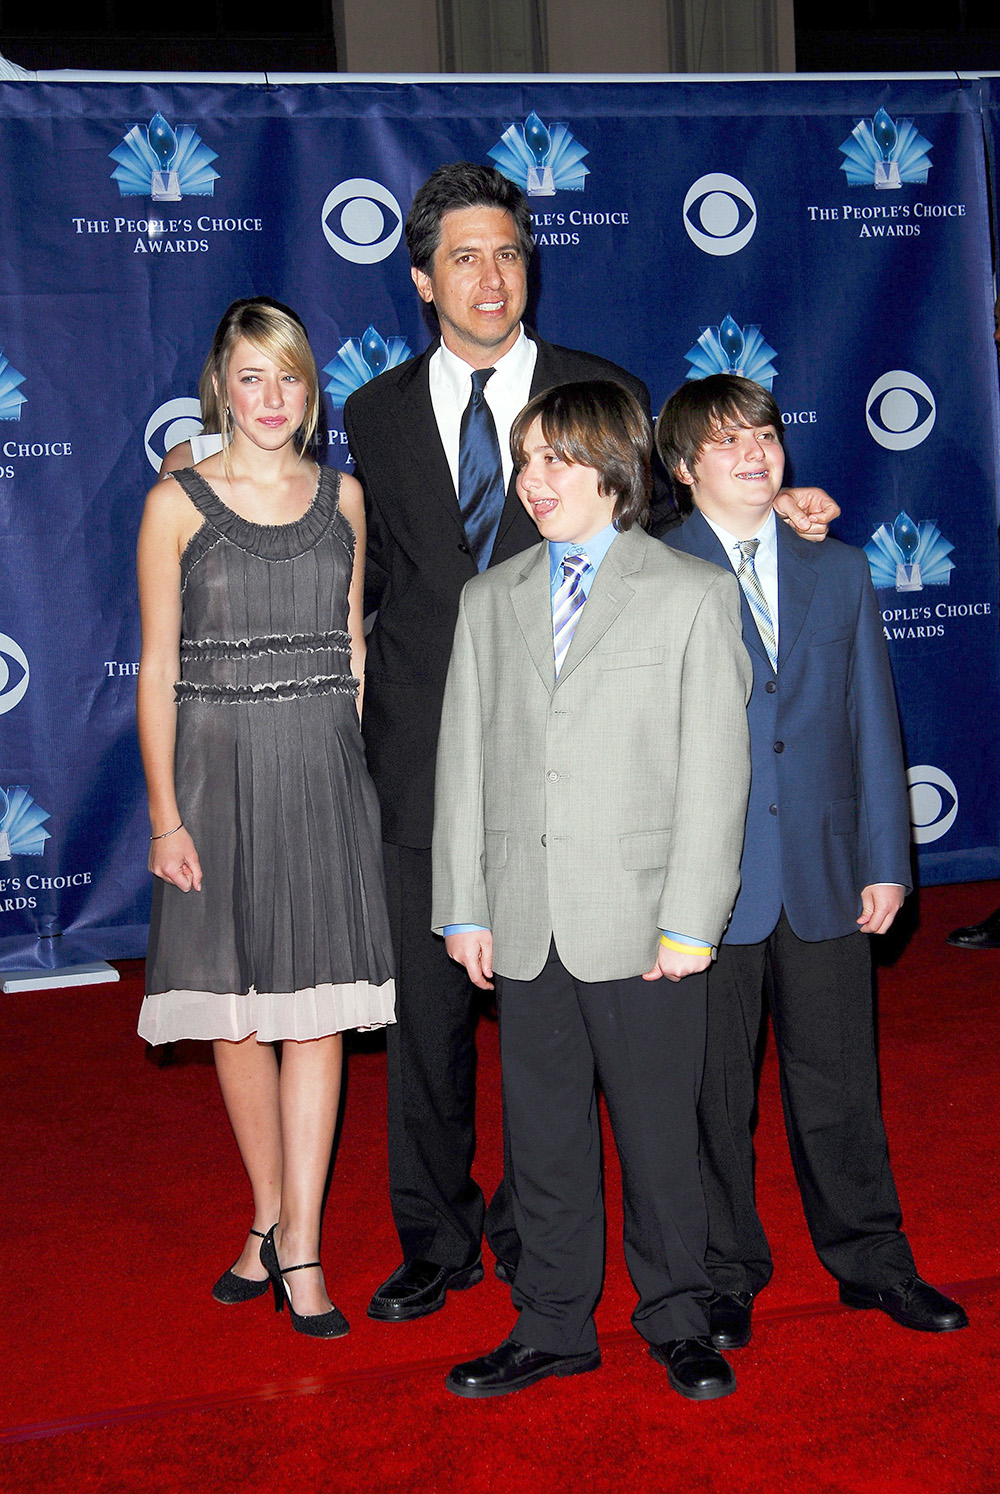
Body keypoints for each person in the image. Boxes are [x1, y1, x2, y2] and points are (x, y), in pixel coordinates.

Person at [343, 161, 838, 1323]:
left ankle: (545, 1243)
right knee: (431, 1032)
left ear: (531, 266)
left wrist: (785, 516)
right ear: (422, 279)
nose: (489, 275)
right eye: (462, 256)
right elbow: (356, 562)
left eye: (508, 252)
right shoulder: (368, 413)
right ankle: (436, 1238)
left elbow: (670, 550)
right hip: (434, 763)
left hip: (601, 795)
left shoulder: (602, 389)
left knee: (571, 1050)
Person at [433, 380, 752, 1400]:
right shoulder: (492, 599)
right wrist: (465, 906)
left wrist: (691, 922)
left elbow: (715, 774)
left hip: (645, 923)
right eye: (525, 461)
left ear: (615, 470)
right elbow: (463, 765)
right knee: (543, 1141)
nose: (534, 480)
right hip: (525, 924)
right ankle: (555, 1323)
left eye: (556, 459)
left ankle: (677, 1315)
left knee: (662, 1135)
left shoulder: (691, 594)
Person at [656, 373, 967, 1350]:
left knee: (840, 1082)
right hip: (708, 883)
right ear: (682, 466)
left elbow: (872, 718)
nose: (754, 451)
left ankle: (873, 1261)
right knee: (712, 1094)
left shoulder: (834, 568)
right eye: (726, 440)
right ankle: (724, 1274)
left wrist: (887, 858)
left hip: (828, 865)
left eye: (764, 433)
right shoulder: (651, 570)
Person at [136, 297, 395, 1338]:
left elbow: (354, 647)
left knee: (317, 1011)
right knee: (237, 1012)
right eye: (251, 378)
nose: (271, 398)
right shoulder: (177, 502)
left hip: (321, 767)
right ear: (220, 389)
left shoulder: (346, 495)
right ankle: (267, 1215)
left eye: (288, 377)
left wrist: (357, 777)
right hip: (214, 769)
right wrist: (165, 816)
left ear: (309, 389)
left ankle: (300, 1247)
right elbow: (156, 668)